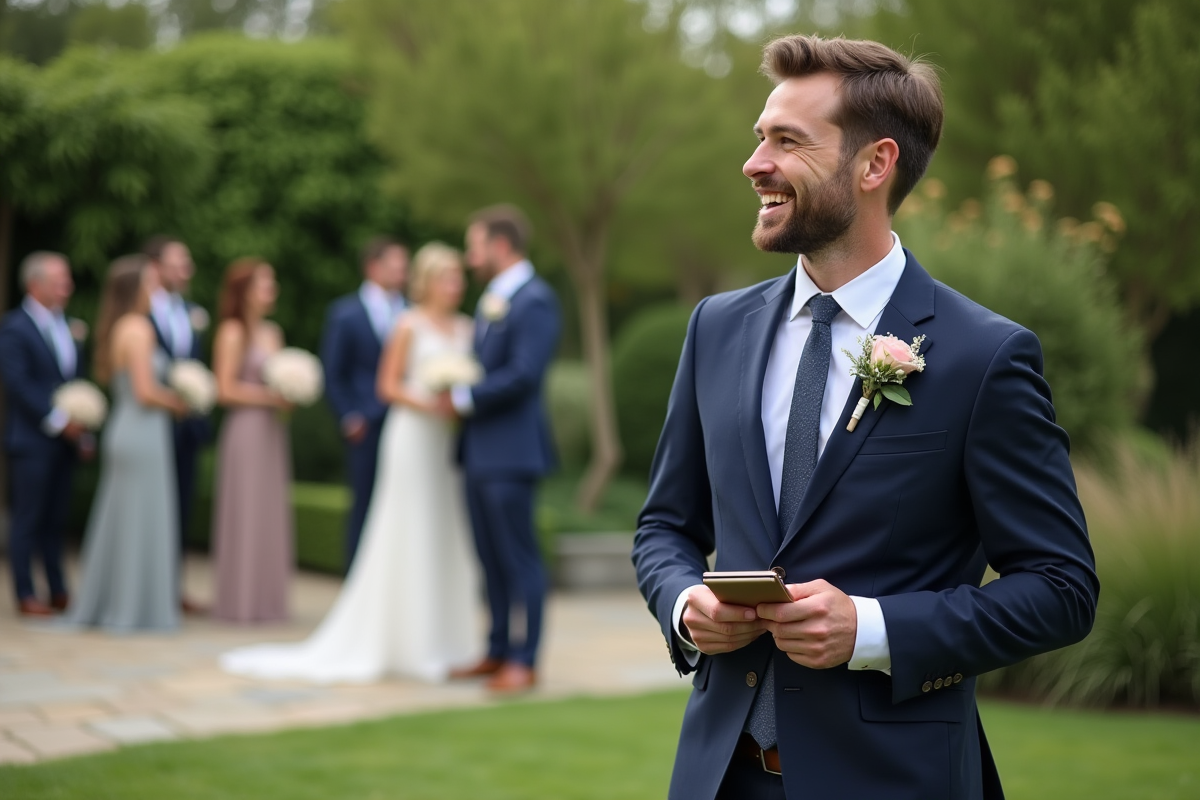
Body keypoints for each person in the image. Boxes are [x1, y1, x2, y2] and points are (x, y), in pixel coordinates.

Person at [631, 34, 1099, 800]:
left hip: (894, 781)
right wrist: (687, 606)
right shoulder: (714, 327)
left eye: (788, 141)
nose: (756, 164)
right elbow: (663, 528)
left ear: (875, 164)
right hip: (719, 778)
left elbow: (1061, 587)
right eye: (760, 139)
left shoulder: (985, 356)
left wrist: (875, 629)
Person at [220, 243, 482, 682]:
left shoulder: (468, 328)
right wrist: (424, 402)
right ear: (429, 280)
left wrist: (455, 401)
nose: (456, 285)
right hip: (412, 436)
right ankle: (405, 640)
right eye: (447, 276)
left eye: (459, 276)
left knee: (446, 528)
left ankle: (448, 638)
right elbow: (387, 384)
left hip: (446, 444)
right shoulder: (407, 324)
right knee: (405, 526)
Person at [445, 206, 561, 693]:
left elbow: (523, 373)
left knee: (519, 559)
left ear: (499, 245)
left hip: (512, 452)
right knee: (489, 558)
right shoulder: (493, 297)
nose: (470, 258)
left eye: (474, 246)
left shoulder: (534, 299)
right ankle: (495, 650)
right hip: (478, 450)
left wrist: (464, 396)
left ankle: (525, 659)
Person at [63, 256, 189, 632]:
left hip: (127, 428)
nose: (156, 291)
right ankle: (134, 609)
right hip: (144, 431)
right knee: (140, 518)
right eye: (151, 284)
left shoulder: (118, 327)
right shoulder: (140, 328)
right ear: (135, 289)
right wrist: (180, 401)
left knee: (123, 516)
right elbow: (146, 391)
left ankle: (115, 602)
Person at [0, 252, 91, 617]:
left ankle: (58, 589)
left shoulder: (68, 325)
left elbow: (72, 382)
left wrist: (82, 427)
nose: (67, 287)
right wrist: (58, 419)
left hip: (66, 441)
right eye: (59, 280)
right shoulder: (14, 327)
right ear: (34, 285)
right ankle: (24, 592)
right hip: (31, 440)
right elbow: (18, 385)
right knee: (28, 518)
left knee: (57, 518)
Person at [210, 258, 294, 624]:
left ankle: (267, 600)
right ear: (245, 291)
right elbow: (224, 389)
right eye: (264, 283)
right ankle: (239, 601)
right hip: (244, 430)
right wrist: (269, 398)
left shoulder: (272, 333)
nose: (271, 290)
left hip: (272, 432)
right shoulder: (231, 332)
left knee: (269, 511)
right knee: (244, 509)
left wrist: (290, 394)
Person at [320, 238, 409, 570]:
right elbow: (333, 372)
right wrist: (349, 417)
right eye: (396, 265)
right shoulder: (345, 313)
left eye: (405, 266)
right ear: (373, 267)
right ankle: (356, 578)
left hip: (405, 422)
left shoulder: (412, 313)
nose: (403, 272)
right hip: (364, 427)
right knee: (364, 505)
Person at [143, 235, 209, 615]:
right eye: (179, 261)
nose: (187, 269)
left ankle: (173, 586)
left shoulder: (192, 312)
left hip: (187, 428)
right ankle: (148, 585)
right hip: (152, 423)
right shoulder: (139, 312)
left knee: (181, 507)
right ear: (155, 266)